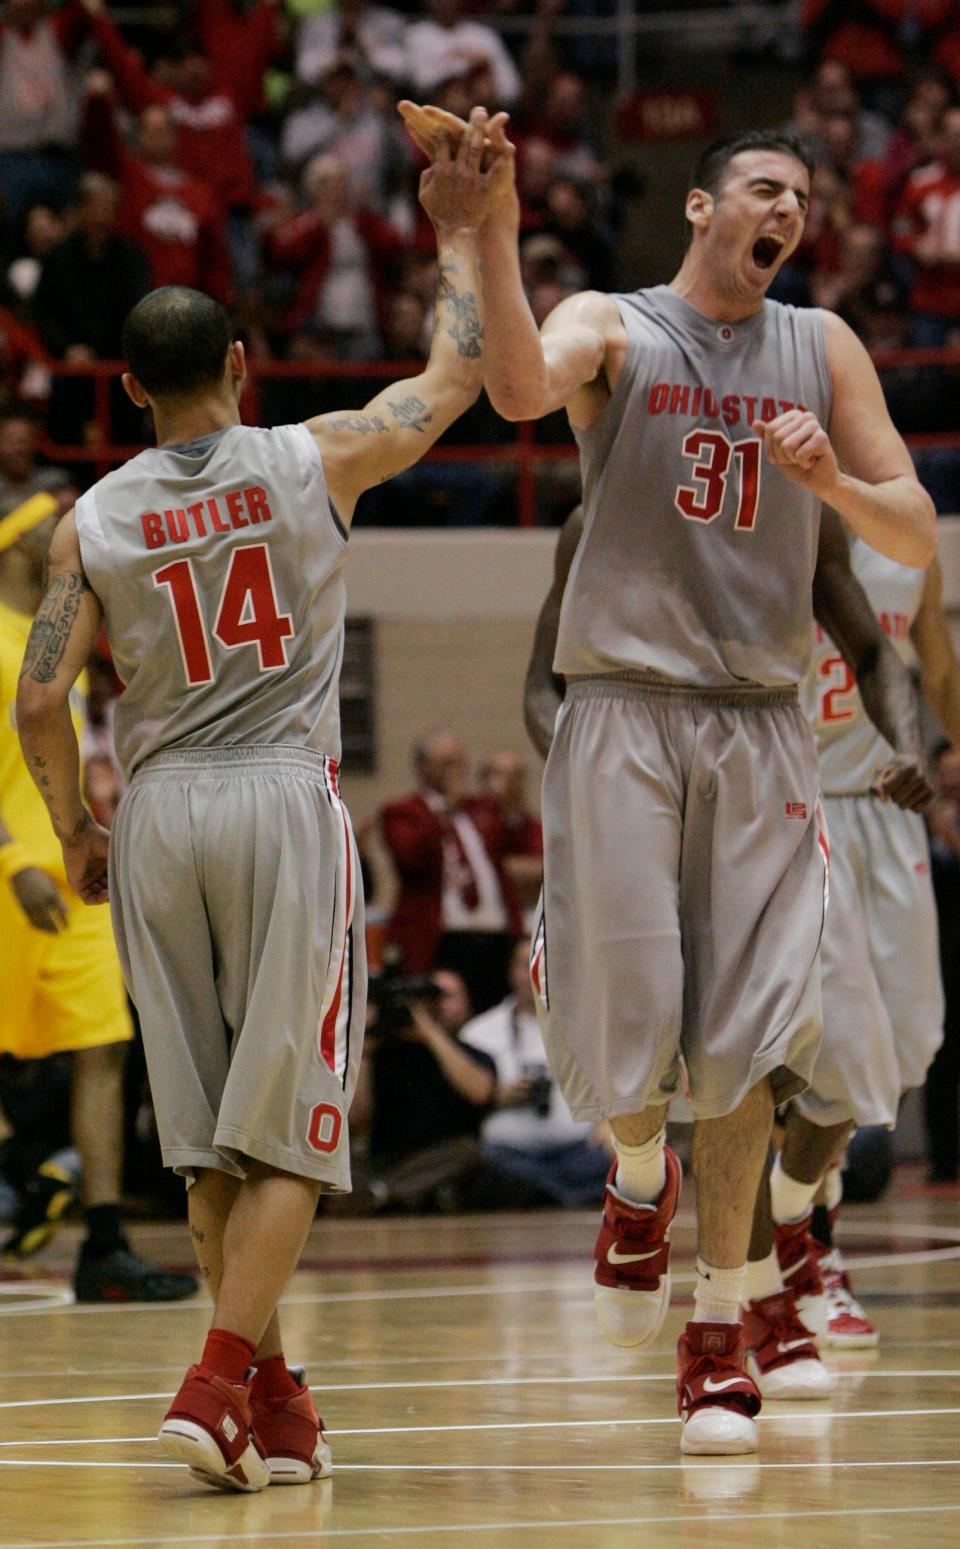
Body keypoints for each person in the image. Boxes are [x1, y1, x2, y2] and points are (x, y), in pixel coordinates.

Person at [402, 104, 936, 1455]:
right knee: (622, 1027)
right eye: (764, 188)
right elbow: (519, 389)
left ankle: (720, 1325)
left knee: (750, 1041)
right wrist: (494, 226)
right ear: (702, 208)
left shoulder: (822, 348)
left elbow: (914, 526)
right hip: (627, 714)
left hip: (764, 726)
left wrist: (836, 483)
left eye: (803, 200)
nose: (788, 213)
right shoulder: (619, 325)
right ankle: (635, 1174)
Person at [15, 107, 501, 1492]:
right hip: (283, 799)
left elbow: (41, 699)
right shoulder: (312, 458)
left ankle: (275, 1393)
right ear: (240, 364)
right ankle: (216, 1378)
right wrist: (461, 233)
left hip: (158, 810)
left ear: (123, 386)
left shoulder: (87, 520)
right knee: (296, 1125)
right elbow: (453, 375)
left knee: (209, 1136)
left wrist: (77, 826)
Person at [754, 532, 960, 1363]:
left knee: (907, 1042)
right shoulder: (782, 530)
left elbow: (935, 669)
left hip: (886, 805)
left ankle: (802, 1207)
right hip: (794, 807)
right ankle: (811, 1247)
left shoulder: (913, 545)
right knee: (826, 1048)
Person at [0, 490, 198, 1300]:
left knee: (105, 1048)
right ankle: (21, 1170)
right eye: (56, 513)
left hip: (66, 869)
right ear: (17, 545)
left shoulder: (59, 641)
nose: (72, 523)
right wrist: (12, 858)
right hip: (13, 872)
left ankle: (104, 1242)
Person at [380, 728, 524, 1013]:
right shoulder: (403, 812)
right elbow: (411, 858)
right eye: (447, 763)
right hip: (444, 940)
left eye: (460, 762)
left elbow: (516, 840)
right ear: (422, 767)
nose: (456, 771)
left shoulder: (480, 811)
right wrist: (444, 811)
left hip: (496, 938)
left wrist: (507, 795)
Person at [462, 936, 611, 1207]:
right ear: (510, 972)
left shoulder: (586, 1028)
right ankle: (563, 1195)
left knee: (617, 1158)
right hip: (507, 1152)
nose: (534, 971)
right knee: (484, 1164)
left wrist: (608, 1124)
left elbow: (612, 1086)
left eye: (544, 963)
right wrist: (496, 1096)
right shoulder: (478, 1032)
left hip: (578, 1151)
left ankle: (546, 1195)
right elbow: (459, 1105)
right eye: (523, 964)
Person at [353, 967, 496, 1210]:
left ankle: (381, 1194)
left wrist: (428, 1031)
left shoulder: (472, 1053)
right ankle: (390, 1193)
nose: (436, 1005)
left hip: (438, 1157)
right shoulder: (380, 1053)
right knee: (340, 1158)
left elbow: (480, 1092)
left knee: (470, 1152)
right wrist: (365, 1044)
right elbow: (356, 1117)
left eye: (446, 997)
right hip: (384, 1159)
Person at [924, 742, 960, 1181]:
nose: (951, 780)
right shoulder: (914, 824)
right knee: (940, 1061)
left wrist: (947, 832)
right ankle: (943, 1158)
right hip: (936, 959)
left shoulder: (940, 825)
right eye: (945, 772)